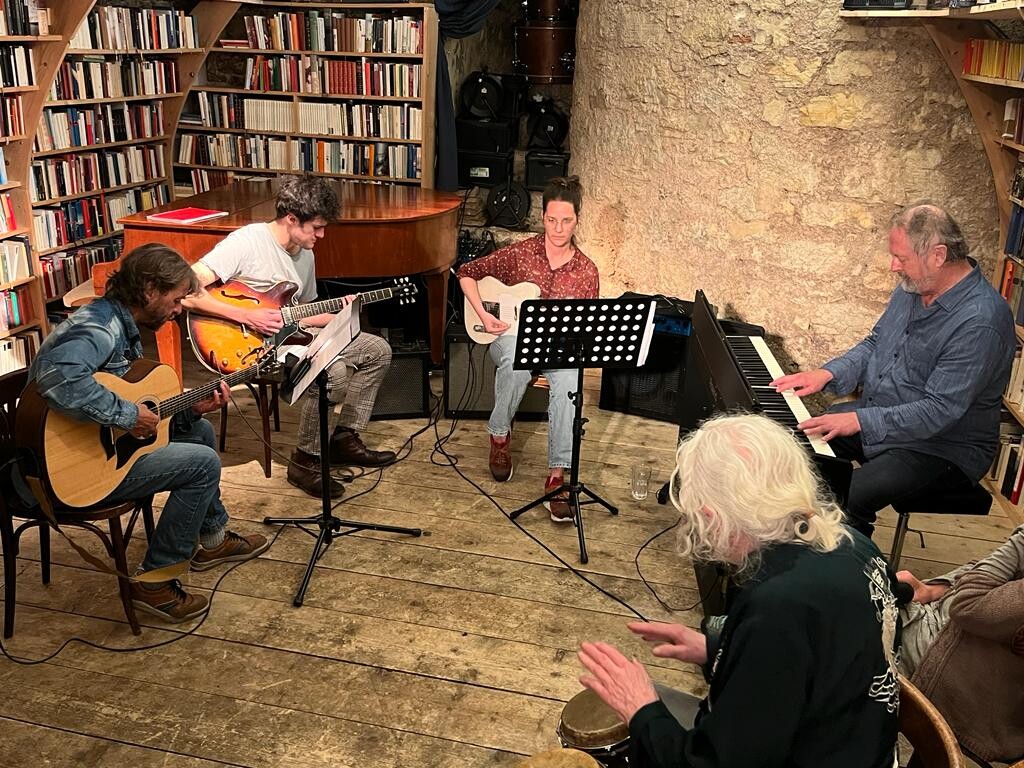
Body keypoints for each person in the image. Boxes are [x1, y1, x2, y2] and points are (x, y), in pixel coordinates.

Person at [577, 414, 901, 768]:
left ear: (711, 517)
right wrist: (720, 647)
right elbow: (814, 658)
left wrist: (640, 708)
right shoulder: (851, 543)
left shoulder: (777, 605)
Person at [26, 244, 269, 623]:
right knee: (203, 464)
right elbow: (59, 379)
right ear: (150, 290)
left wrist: (189, 408)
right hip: (67, 470)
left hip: (102, 451)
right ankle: (155, 582)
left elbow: (136, 404)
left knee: (199, 431)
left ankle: (211, 539)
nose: (179, 310)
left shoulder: (121, 322)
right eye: (176, 300)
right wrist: (126, 415)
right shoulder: (97, 328)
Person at [772, 203, 1015, 537]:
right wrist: (827, 374)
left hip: (944, 446)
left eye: (902, 258)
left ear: (938, 255)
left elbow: (938, 411)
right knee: (788, 446)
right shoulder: (913, 287)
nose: (893, 266)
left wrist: (859, 420)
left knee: (849, 497)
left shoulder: (981, 321)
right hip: (886, 413)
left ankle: (852, 568)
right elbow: (876, 343)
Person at [183, 174, 396, 499]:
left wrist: (343, 314)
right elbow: (185, 289)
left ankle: (343, 439)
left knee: (377, 350)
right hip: (250, 346)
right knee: (333, 372)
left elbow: (301, 312)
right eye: (316, 228)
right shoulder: (247, 242)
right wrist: (246, 315)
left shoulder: (305, 253)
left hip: (291, 336)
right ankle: (305, 460)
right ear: (292, 219)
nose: (322, 235)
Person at [457, 176, 599, 521]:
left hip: (558, 347)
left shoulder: (586, 271)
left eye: (566, 220)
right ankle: (499, 437)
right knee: (516, 361)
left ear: (577, 219)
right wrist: (484, 316)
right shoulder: (521, 253)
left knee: (570, 381)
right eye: (552, 219)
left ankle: (557, 476)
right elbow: (467, 272)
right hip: (510, 338)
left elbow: (587, 330)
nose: (558, 228)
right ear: (543, 216)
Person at [897, 526, 1024, 763]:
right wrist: (936, 589)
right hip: (953, 643)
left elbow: (968, 603)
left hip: (961, 691)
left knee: (855, 617)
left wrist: (1020, 543)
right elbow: (986, 568)